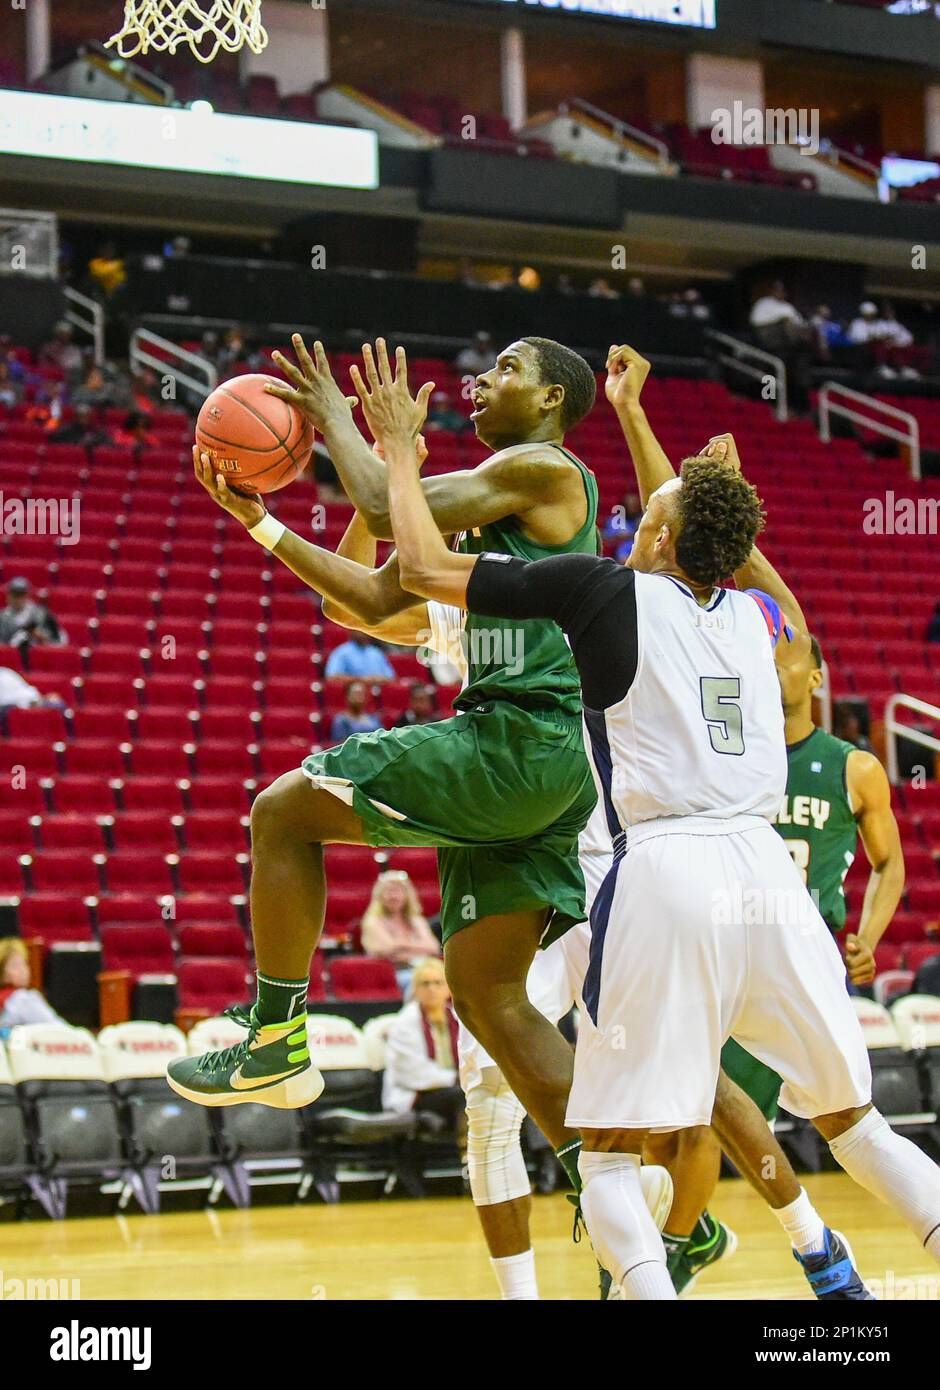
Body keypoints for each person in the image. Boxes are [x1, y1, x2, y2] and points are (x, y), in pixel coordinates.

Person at [373, 338, 940, 1300]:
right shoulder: (766, 624)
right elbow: (727, 547)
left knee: (604, 1156)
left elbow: (424, 567)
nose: (640, 510)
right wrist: (671, 450)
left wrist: (395, 448)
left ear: (666, 539)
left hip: (666, 871)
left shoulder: (602, 589)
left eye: (656, 512)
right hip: (772, 885)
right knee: (860, 1127)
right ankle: (838, 1280)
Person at [167, 331, 601, 1218]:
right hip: (544, 763)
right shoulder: (485, 515)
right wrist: (263, 520)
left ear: (553, 398)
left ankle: (277, 1036)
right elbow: (364, 599)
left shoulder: (548, 472)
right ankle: (628, 1211)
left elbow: (376, 493)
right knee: (489, 996)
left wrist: (341, 420)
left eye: (508, 369)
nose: (481, 379)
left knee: (283, 813)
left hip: (524, 737)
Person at [381, 957, 465, 1146]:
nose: (432, 989)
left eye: (438, 983)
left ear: (448, 988)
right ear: (415, 989)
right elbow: (412, 1072)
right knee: (466, 1094)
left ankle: (542, 1157)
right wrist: (456, 1078)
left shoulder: (458, 1018)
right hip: (417, 1093)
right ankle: (467, 1158)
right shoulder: (405, 1022)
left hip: (454, 1086)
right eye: (425, 983)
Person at [361, 873, 440, 993]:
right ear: (380, 896)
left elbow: (433, 947)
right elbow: (384, 950)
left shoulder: (417, 920)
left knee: (440, 979)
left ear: (407, 895)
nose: (394, 896)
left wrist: (401, 945)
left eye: (398, 891)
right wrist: (418, 948)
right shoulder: (373, 921)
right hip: (393, 974)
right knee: (421, 983)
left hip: (422, 969)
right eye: (389, 891)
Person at [0, 939, 63, 1029]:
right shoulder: (23, 999)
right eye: (15, 965)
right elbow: (59, 1029)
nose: (23, 970)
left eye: (24, 963)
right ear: (2, 972)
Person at [0, 578, 65, 649]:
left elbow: (60, 640)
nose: (17, 599)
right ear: (8, 596)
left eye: (21, 595)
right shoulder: (2, 617)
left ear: (27, 595)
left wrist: (41, 636)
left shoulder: (41, 614)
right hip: (10, 656)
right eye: (14, 595)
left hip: (38, 655)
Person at [324, 632, 394, 681]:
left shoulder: (376, 652)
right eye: (359, 629)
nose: (362, 633)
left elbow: (391, 677)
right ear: (352, 630)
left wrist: (374, 679)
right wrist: (360, 680)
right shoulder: (342, 652)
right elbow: (331, 677)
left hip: (377, 695)